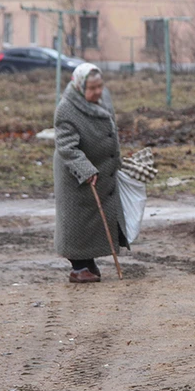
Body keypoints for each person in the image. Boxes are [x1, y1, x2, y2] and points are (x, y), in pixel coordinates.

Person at [53, 63, 127, 283]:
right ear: (79, 86)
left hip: (101, 170)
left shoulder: (104, 99)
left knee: (95, 219)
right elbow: (66, 146)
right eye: (92, 88)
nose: (97, 92)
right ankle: (78, 268)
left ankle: (88, 262)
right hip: (76, 174)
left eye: (100, 87)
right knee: (77, 221)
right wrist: (84, 169)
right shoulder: (66, 108)